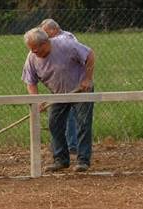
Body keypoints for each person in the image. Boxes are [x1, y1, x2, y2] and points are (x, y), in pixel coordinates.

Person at [22, 27, 95, 173]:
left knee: (83, 123)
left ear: (45, 43)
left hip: (80, 89)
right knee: (54, 124)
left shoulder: (66, 45)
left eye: (35, 49)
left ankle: (83, 161)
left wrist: (87, 78)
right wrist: (36, 100)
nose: (33, 52)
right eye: (31, 50)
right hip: (57, 94)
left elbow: (90, 54)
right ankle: (60, 159)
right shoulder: (32, 57)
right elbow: (30, 81)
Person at [40, 19, 79, 154]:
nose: (44, 36)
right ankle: (59, 146)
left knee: (70, 115)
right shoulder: (54, 40)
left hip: (72, 84)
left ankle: (71, 145)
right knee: (57, 117)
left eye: (45, 32)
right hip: (59, 84)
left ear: (54, 30)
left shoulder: (66, 38)